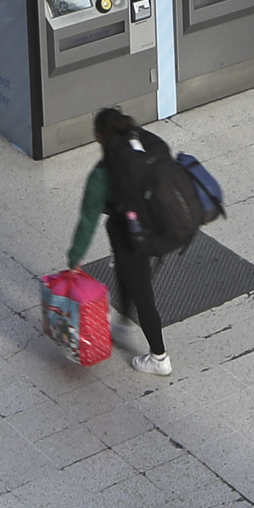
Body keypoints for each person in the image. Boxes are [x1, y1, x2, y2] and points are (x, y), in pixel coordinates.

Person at [62, 108, 177, 376]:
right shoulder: (144, 142)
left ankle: (159, 358)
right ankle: (123, 325)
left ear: (98, 136)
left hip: (130, 233)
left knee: (143, 293)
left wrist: (74, 258)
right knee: (128, 275)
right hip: (155, 223)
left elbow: (87, 221)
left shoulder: (102, 174)